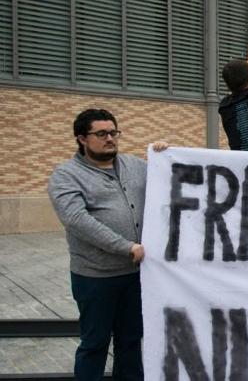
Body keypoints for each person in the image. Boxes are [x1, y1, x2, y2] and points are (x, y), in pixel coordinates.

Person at [48, 109, 168, 380]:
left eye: (113, 132)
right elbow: (77, 220)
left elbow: (169, 182)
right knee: (95, 344)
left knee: (130, 342)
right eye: (101, 134)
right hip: (95, 278)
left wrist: (165, 157)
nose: (110, 138)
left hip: (136, 276)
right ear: (81, 138)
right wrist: (126, 247)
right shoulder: (66, 175)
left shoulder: (135, 165)